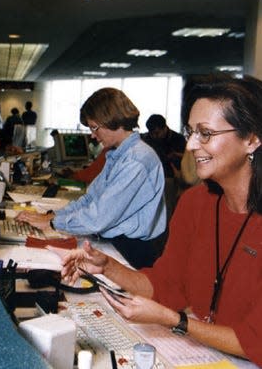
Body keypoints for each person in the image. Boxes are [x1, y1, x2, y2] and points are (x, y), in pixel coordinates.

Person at [60, 75, 262, 366]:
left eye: (205, 133)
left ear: (252, 139)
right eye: (190, 132)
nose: (191, 145)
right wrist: (108, 268)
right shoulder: (195, 204)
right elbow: (169, 285)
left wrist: (176, 322)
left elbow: (255, 341)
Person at [17, 88, 167, 269]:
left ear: (112, 120)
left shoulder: (137, 160)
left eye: (95, 128)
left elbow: (98, 217)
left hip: (132, 251)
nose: (92, 135)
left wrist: (52, 223)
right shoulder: (118, 154)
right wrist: (52, 216)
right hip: (117, 243)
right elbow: (90, 199)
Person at [142, 114, 186, 178]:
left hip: (173, 176)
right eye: (151, 133)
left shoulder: (178, 139)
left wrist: (175, 155)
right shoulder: (147, 138)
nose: (154, 136)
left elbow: (186, 160)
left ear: (165, 128)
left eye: (157, 133)